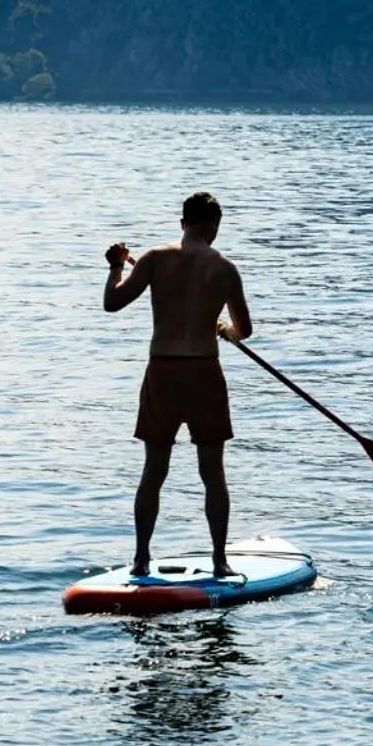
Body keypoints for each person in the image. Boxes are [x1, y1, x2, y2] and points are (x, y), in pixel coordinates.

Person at [103, 190, 252, 580]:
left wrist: (116, 267)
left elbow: (112, 303)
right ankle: (220, 560)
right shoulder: (225, 269)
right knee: (213, 472)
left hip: (163, 371)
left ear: (182, 223)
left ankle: (140, 559)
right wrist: (224, 328)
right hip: (204, 373)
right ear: (215, 227)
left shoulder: (154, 258)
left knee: (154, 470)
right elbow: (244, 330)